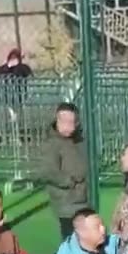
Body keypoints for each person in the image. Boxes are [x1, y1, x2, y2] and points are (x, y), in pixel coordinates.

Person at [34, 102, 90, 240]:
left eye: (71, 122)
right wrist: (69, 181)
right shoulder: (52, 144)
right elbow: (48, 171)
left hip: (84, 197)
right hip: (66, 200)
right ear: (56, 120)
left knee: (87, 235)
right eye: (63, 121)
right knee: (70, 237)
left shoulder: (80, 141)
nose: (67, 126)